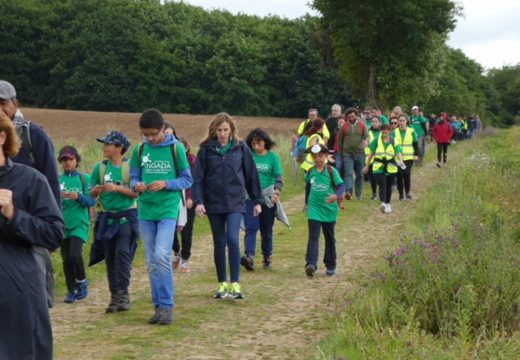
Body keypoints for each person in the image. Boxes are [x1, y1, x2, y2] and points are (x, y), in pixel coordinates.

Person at [0, 112, 64, 360]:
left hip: (18, 295)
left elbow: (54, 233)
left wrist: (14, 214)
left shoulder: (30, 180)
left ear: (2, 136)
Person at [0, 80, 62, 307]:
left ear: (16, 103)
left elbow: (52, 187)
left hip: (29, 241)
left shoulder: (34, 136)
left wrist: (51, 240)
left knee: (34, 307)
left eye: (2, 103)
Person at [130, 109, 192, 325]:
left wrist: (166, 184)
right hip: (146, 210)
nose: (149, 138)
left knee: (162, 255)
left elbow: (187, 180)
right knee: (150, 261)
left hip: (167, 209)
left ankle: (166, 306)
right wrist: (135, 185)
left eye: (153, 134)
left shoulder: (176, 149)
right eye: (145, 134)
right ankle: (158, 307)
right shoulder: (139, 150)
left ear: (162, 129)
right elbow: (134, 177)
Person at [192, 112, 262, 300]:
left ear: (231, 130)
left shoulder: (241, 148)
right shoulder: (206, 149)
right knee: (219, 242)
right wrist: (198, 202)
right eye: (219, 130)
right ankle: (222, 284)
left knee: (233, 238)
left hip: (235, 201)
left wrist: (257, 200)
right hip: (214, 202)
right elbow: (197, 178)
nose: (223, 133)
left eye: (226, 130)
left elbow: (251, 175)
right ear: (213, 131)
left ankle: (236, 284)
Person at [90, 130, 139, 314]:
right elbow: (91, 192)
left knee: (123, 253)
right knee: (110, 256)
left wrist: (117, 188)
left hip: (127, 216)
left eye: (108, 144)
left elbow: (136, 193)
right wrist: (98, 190)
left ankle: (124, 293)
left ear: (119, 147)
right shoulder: (100, 168)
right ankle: (114, 296)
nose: (105, 147)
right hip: (107, 218)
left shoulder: (130, 167)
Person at [241, 128, 284, 271]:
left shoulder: (273, 157)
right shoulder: (248, 156)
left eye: (258, 143)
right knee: (251, 227)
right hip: (250, 197)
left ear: (265, 142)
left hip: (268, 197)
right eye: (253, 144)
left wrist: (276, 193)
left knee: (266, 229)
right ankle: (249, 257)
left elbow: (279, 178)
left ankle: (267, 256)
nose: (256, 147)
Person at [58, 145, 96, 303]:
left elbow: (92, 200)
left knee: (75, 254)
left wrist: (78, 196)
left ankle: (82, 282)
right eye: (64, 160)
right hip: (62, 225)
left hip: (80, 223)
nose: (67, 162)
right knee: (66, 259)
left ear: (77, 160)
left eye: (70, 159)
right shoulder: (57, 180)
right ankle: (71, 290)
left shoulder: (84, 179)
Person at [303, 143, 345, 277]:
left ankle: (331, 264)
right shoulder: (310, 171)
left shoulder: (332, 171)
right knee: (313, 237)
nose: (317, 159)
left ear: (326, 156)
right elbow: (308, 187)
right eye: (314, 157)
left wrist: (336, 196)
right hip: (314, 208)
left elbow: (342, 186)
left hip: (329, 210)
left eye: (320, 156)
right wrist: (306, 203)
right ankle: (311, 264)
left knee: (329, 237)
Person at [364, 124, 404, 214]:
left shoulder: (394, 140)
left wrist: (401, 161)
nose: (384, 134)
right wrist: (367, 166)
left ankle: (387, 204)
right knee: (382, 184)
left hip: (391, 167)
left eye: (386, 132)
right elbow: (371, 154)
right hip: (378, 166)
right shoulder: (376, 141)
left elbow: (398, 152)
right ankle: (382, 203)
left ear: (389, 131)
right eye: (382, 133)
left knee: (389, 186)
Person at [172, 137, 196, 273]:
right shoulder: (170, 162)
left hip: (188, 200)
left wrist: (190, 197)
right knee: (171, 229)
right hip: (173, 200)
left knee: (187, 231)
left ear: (186, 149)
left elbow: (195, 180)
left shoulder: (193, 161)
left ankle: (185, 257)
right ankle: (177, 251)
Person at [337, 107, 368, 200]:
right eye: (349, 117)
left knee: (359, 174)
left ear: (356, 116)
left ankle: (358, 194)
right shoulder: (344, 127)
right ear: (347, 117)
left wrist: (366, 141)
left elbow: (367, 136)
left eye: (353, 116)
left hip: (360, 153)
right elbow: (340, 140)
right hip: (347, 154)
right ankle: (348, 192)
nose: (351, 118)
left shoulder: (362, 126)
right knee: (348, 173)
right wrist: (342, 152)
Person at [393, 114, 421, 200]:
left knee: (406, 174)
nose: (401, 122)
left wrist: (416, 155)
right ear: (398, 122)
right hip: (398, 158)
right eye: (400, 121)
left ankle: (407, 192)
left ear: (406, 122)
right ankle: (401, 194)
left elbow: (415, 144)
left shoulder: (411, 131)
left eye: (403, 121)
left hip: (409, 157)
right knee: (399, 175)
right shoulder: (394, 132)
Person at [365, 115, 382, 201]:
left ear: (379, 122)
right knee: (372, 178)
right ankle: (374, 193)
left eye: (376, 122)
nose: (374, 123)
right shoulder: (368, 132)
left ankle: (382, 192)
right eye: (373, 122)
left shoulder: (382, 132)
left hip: (380, 157)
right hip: (370, 158)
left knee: (380, 176)